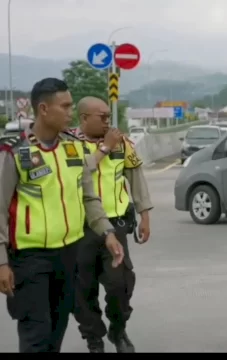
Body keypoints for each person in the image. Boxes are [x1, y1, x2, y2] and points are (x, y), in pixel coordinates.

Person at [0, 78, 124, 353]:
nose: (71, 113)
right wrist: (2, 262)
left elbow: (89, 197)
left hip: (69, 254)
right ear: (43, 109)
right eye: (65, 106)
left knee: (56, 330)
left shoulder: (73, 147)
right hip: (29, 258)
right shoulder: (14, 151)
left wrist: (108, 233)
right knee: (36, 333)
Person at [71, 97, 153, 353]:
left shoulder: (122, 143)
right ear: (84, 118)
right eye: (102, 116)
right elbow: (77, 175)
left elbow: (135, 177)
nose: (108, 121)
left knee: (121, 284)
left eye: (109, 116)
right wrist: (103, 148)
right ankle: (94, 340)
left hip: (116, 226)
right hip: (80, 229)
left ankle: (118, 330)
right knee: (83, 291)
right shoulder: (69, 145)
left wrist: (145, 215)